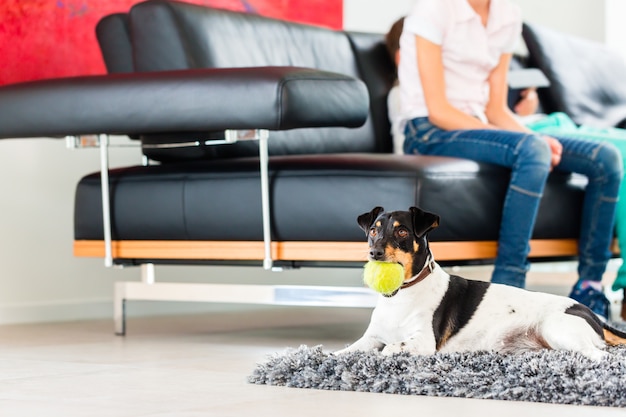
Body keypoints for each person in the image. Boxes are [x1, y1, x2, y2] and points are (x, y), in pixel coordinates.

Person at [389, 0, 623, 320]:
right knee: (531, 149)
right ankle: (507, 289)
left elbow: (498, 109)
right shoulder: (433, 9)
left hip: (480, 121)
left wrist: (534, 136)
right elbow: (438, 110)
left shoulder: (506, 14)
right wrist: (528, 142)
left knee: (604, 157)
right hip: (429, 129)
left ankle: (590, 287)